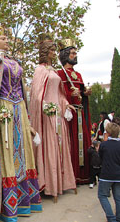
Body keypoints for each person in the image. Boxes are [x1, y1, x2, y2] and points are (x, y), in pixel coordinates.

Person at [0, 28, 42, 220]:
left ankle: (23, 203)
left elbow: (21, 88)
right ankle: (6, 208)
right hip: (2, 110)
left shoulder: (14, 62)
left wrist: (27, 119)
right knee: (5, 152)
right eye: (2, 38)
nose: (6, 41)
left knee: (21, 151)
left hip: (18, 109)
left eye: (7, 38)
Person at [29, 34, 76, 202]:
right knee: (50, 149)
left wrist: (65, 104)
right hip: (47, 117)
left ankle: (62, 183)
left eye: (54, 49)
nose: (54, 52)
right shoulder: (39, 70)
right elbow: (36, 95)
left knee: (61, 148)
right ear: (45, 52)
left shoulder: (54, 71)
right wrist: (46, 108)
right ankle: (49, 185)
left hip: (58, 117)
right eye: (52, 50)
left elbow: (59, 94)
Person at [57, 39, 92, 184]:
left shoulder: (78, 74)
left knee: (83, 142)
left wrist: (85, 93)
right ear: (65, 55)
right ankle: (72, 176)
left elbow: (81, 93)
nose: (75, 55)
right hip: (68, 115)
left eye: (75, 53)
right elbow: (58, 94)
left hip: (80, 113)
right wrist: (70, 95)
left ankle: (84, 175)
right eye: (72, 53)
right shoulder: (60, 73)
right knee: (71, 143)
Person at [98, 122, 120, 222]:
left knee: (102, 195)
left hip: (106, 175)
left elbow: (100, 157)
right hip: (118, 175)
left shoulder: (104, 145)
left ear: (108, 132)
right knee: (118, 198)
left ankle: (111, 218)